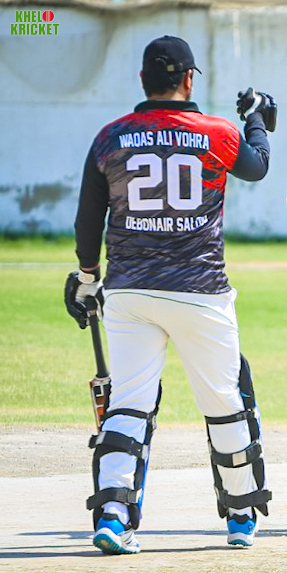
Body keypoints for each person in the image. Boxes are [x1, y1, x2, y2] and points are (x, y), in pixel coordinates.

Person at [64, 35, 276, 554]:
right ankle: (240, 514)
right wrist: (255, 118)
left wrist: (88, 275)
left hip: (129, 290)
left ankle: (113, 515)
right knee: (225, 402)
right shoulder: (216, 132)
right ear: (188, 78)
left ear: (143, 80)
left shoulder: (111, 137)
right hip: (199, 290)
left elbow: (88, 219)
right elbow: (257, 166)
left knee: (128, 403)